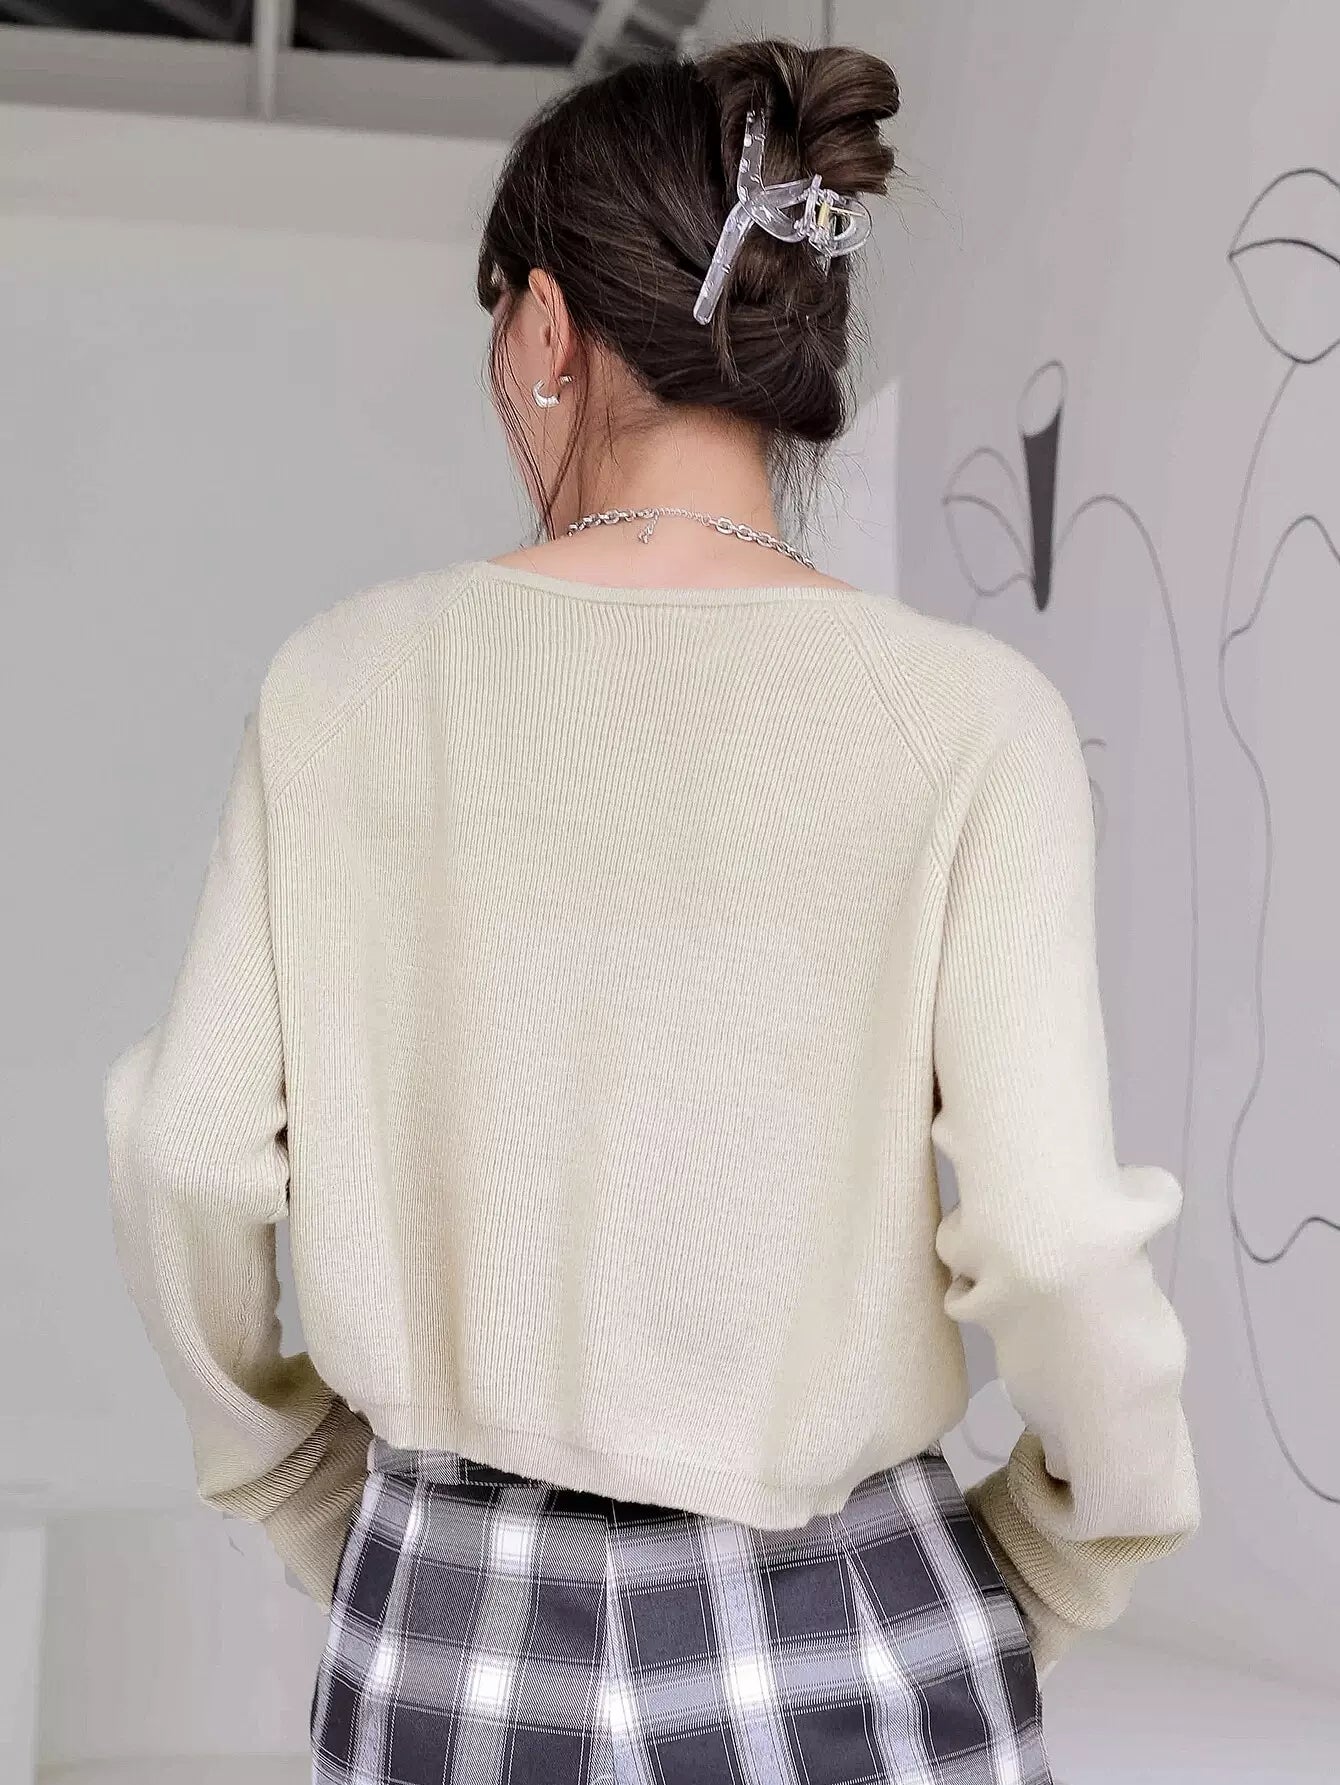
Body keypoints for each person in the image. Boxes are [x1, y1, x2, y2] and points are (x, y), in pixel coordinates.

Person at [103, 36, 1199, 1785]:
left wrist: (313, 1487)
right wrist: (1062, 1553)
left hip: (446, 1637)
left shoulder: (340, 687)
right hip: (856, 1621)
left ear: (547, 328)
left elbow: (185, 1157)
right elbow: (1057, 1236)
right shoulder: (969, 719)